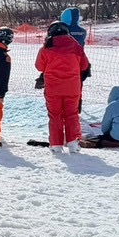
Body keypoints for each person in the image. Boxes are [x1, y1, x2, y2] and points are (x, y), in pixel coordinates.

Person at [36, 21, 92, 152]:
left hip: (53, 87)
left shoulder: (46, 47)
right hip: (72, 87)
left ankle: (56, 145)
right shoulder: (76, 46)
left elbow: (39, 66)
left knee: (55, 115)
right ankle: (73, 143)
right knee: (71, 114)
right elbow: (84, 66)